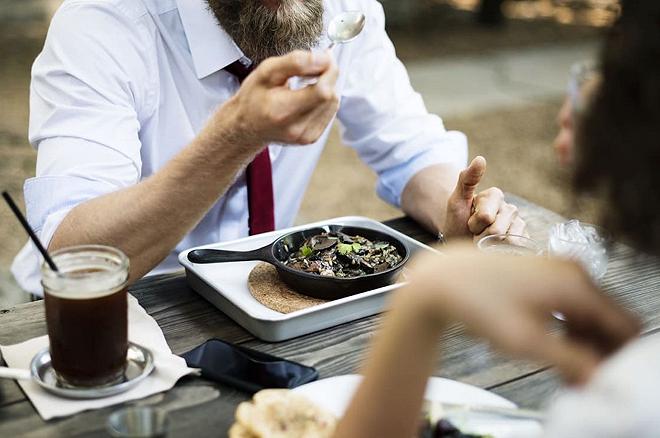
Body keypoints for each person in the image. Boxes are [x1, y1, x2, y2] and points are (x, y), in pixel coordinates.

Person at [11, 0, 525, 295]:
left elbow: (409, 149)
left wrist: (453, 210)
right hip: (116, 316)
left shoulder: (344, 11)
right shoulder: (103, 23)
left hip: (273, 303)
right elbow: (72, 257)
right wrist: (234, 135)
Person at [335, 0, 660, 436]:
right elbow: (407, 149)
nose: (568, 120)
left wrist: (424, 299)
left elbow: (405, 144)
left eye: (605, 71)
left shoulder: (619, 409)